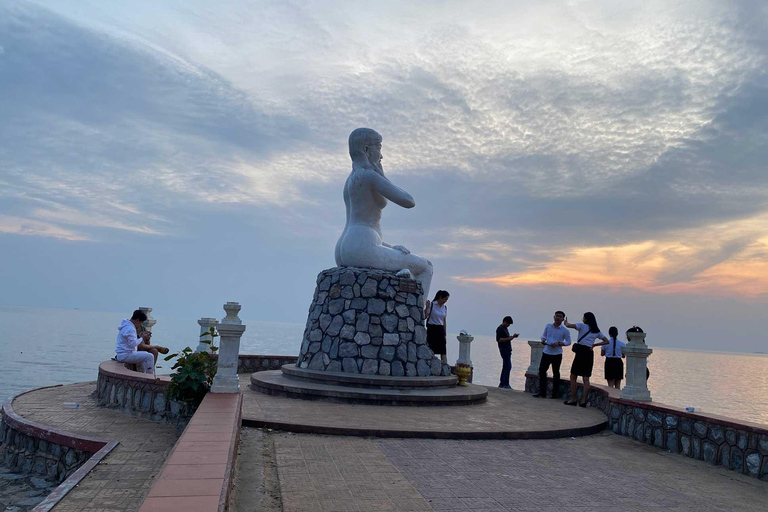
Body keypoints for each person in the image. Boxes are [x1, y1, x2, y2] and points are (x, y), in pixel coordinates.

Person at [334, 128, 434, 302]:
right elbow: (408, 201)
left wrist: (389, 246)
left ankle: (403, 276)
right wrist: (382, 175)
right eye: (379, 148)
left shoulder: (351, 179)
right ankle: (418, 317)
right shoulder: (370, 176)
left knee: (401, 262)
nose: (381, 156)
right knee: (426, 267)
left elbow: (363, 223)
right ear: (366, 150)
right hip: (362, 246)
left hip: (345, 248)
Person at [564, 312, 609, 407]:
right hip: (588, 353)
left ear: (586, 319)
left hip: (580, 352)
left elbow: (568, 325)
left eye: (583, 317)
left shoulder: (581, 326)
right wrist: (594, 345)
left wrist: (566, 322)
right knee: (586, 378)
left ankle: (573, 399)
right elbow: (606, 341)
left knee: (573, 375)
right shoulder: (596, 330)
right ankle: (583, 401)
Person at [533, 311, 571, 398]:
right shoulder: (548, 326)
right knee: (542, 371)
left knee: (556, 373)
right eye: (556, 316)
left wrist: (559, 344)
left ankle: (555, 394)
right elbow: (544, 336)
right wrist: (543, 340)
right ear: (554, 317)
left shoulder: (565, 330)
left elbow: (568, 342)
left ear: (562, 319)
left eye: (560, 316)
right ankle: (542, 392)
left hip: (557, 354)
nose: (558, 318)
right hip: (546, 352)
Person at [115, 310, 167, 374]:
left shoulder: (126, 326)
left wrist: (139, 337)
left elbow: (129, 341)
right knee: (150, 356)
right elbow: (133, 344)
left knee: (144, 356)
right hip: (125, 355)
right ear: (137, 320)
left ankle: (144, 374)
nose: (141, 325)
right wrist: (142, 338)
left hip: (123, 354)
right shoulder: (130, 328)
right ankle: (150, 376)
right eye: (141, 322)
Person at [425, 290, 449, 364]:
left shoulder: (444, 308)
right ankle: (430, 363)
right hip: (432, 328)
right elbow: (425, 316)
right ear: (440, 297)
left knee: (443, 348)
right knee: (431, 347)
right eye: (445, 299)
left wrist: (445, 332)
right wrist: (427, 307)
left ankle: (444, 364)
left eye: (447, 299)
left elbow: (444, 320)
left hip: (440, 328)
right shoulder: (432, 305)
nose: (446, 301)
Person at [495, 316, 519, 389]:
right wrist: (510, 338)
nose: (508, 325)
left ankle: (502, 383)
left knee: (506, 366)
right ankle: (505, 384)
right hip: (504, 349)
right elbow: (499, 339)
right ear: (505, 322)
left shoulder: (505, 329)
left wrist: (512, 337)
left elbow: (507, 338)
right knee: (508, 366)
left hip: (507, 349)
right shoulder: (500, 329)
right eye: (508, 323)